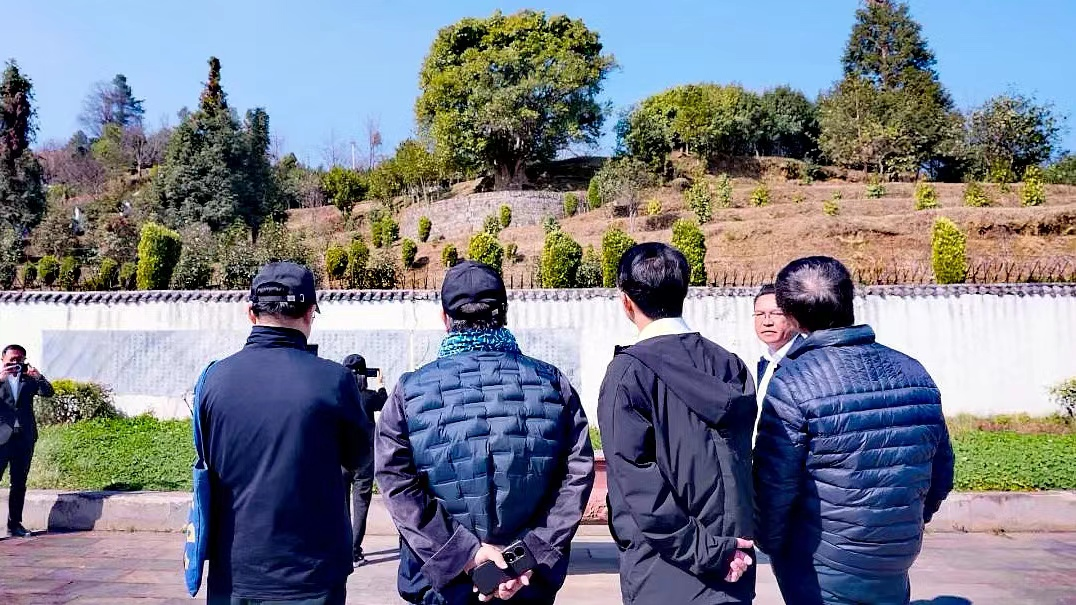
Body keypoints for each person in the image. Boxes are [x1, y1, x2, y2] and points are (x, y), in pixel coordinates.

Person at [376, 260, 594, 605]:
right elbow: (576, 473)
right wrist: (525, 556)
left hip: (441, 584)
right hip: (527, 581)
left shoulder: (409, 391)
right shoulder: (553, 383)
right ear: (504, 312)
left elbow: (396, 482)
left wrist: (467, 555)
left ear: (445, 318)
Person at [753, 256, 955, 605]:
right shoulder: (913, 370)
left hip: (820, 560)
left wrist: (771, 544)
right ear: (848, 298)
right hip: (896, 553)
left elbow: (775, 486)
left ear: (792, 316)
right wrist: (907, 523)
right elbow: (941, 471)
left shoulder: (793, 380)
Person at [199, 262, 371, 605]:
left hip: (234, 573)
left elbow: (206, 459)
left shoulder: (213, 379)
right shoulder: (335, 380)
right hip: (311, 574)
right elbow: (359, 457)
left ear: (251, 313)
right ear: (310, 313)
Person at [597, 242, 757, 605]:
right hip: (734, 560)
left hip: (665, 568)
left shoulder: (628, 373)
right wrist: (724, 551)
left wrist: (707, 552)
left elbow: (639, 487)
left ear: (626, 302)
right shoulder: (729, 365)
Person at [0, 345, 54, 537]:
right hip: (1, 439)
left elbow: (48, 392)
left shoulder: (29, 379)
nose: (15, 363)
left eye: (19, 359)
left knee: (19, 482)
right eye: (11, 359)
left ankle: (15, 524)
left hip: (24, 438)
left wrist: (38, 376)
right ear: (3, 359)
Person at [340, 353, 388, 568]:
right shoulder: (370, 397)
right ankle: (354, 551)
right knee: (361, 506)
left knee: (341, 507)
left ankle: (342, 550)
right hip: (364, 460)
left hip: (341, 459)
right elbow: (385, 402)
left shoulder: (338, 397)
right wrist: (381, 385)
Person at [752, 284, 801, 407]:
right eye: (760, 314)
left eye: (776, 314)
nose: (767, 322)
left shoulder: (804, 362)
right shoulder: (767, 362)